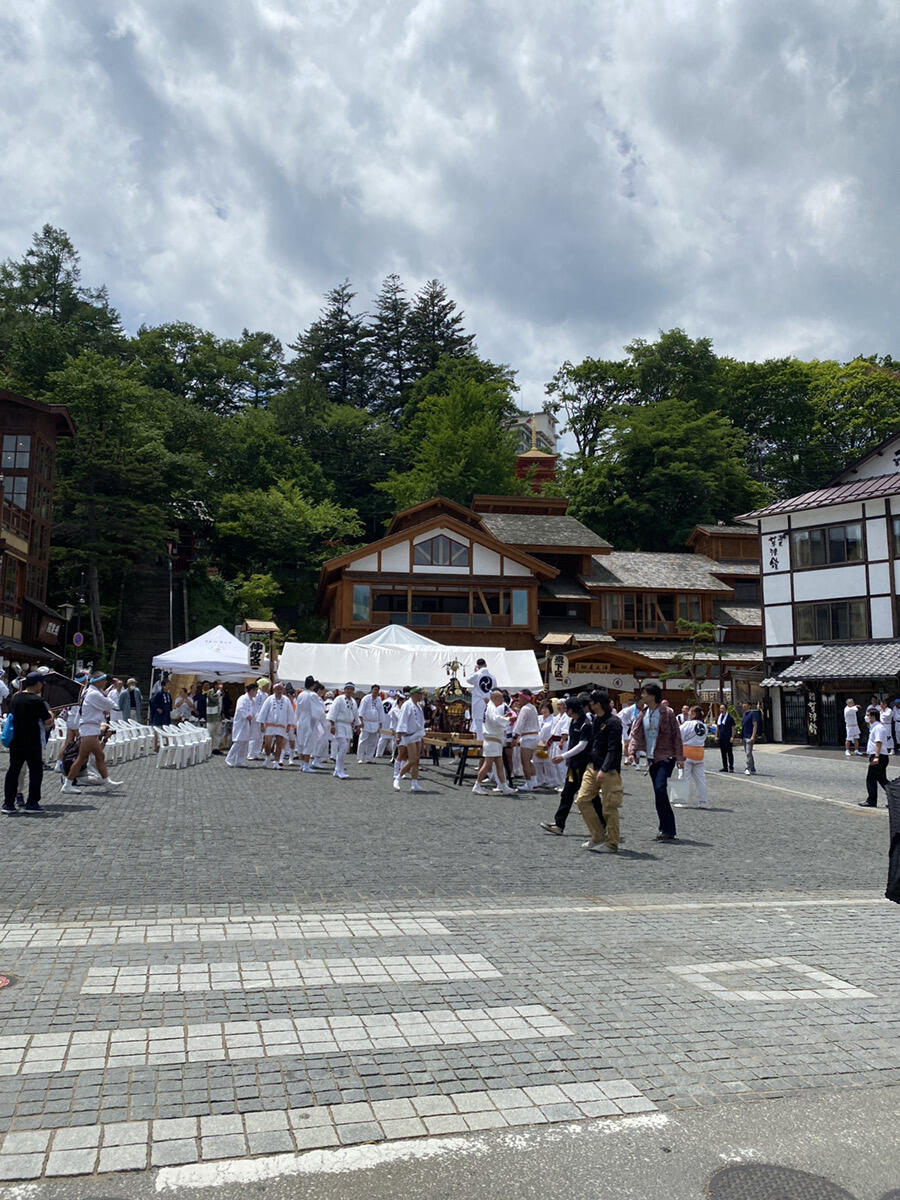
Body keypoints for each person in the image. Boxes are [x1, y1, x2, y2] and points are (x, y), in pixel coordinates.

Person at [629, 683, 683, 842]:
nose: (642, 696)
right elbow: (636, 734)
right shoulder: (643, 713)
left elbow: (676, 735)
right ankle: (665, 828)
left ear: (653, 696)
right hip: (651, 758)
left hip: (666, 757)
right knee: (659, 794)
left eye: (644, 693)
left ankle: (668, 828)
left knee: (660, 789)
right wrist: (632, 752)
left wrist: (680, 757)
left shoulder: (667, 713)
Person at [572, 690, 623, 853]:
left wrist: (604, 769)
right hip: (592, 766)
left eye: (591, 702)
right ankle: (598, 835)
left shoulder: (614, 722)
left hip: (609, 770)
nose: (589, 705)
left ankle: (612, 843)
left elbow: (614, 749)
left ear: (598, 704)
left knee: (609, 807)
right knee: (582, 800)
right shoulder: (596, 720)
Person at [60, 673, 123, 794]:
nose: (105, 683)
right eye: (104, 680)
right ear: (97, 681)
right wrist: (105, 695)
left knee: (98, 756)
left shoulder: (89, 692)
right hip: (89, 728)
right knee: (82, 758)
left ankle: (107, 781)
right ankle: (68, 784)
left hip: (90, 727)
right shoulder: (94, 694)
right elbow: (112, 705)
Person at [3, 672, 54, 814]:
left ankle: (8, 803)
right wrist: (51, 713)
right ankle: (32, 803)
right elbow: (47, 721)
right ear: (37, 683)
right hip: (32, 740)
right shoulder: (37, 701)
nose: (42, 687)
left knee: (13, 770)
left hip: (16, 740)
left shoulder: (16, 698)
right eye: (42, 684)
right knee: (36, 771)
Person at [541, 699, 592, 834]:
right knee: (567, 793)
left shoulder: (585, 724)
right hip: (573, 764)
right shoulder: (573, 722)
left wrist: (563, 756)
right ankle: (559, 824)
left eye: (566, 708)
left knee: (589, 797)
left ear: (572, 709)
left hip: (582, 764)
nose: (564, 710)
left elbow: (582, 745)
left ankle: (603, 825)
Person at [472, 690, 518, 795]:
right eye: (501, 698)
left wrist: (506, 718)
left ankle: (504, 786)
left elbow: (495, 720)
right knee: (487, 765)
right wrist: (509, 719)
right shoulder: (491, 708)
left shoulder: (492, 708)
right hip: (492, 740)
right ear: (496, 698)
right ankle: (477, 785)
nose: (502, 700)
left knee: (499, 765)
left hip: (495, 740)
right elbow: (495, 720)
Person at [393, 686, 426, 792]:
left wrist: (422, 735)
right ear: (414, 694)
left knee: (416, 760)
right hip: (409, 735)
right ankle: (398, 777)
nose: (421, 696)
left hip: (417, 734)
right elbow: (402, 720)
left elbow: (421, 721)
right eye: (419, 694)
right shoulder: (407, 705)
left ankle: (414, 783)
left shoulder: (418, 706)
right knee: (411, 759)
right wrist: (398, 735)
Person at [678, 705, 709, 809]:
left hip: (687, 753)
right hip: (699, 753)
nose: (688, 714)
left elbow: (679, 736)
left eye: (690, 712)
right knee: (700, 780)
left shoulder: (688, 724)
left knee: (684, 778)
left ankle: (683, 801)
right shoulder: (704, 726)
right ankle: (703, 802)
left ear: (694, 713)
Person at [860, 705, 889, 807]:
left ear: (873, 717)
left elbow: (878, 743)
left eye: (868, 715)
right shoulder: (874, 727)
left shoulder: (878, 728)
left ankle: (871, 801)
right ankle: (895, 798)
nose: (866, 717)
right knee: (882, 779)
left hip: (879, 756)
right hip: (879, 756)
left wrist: (876, 757)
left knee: (871, 779)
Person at [259, 680, 292, 769]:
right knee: (267, 743)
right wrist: (262, 724)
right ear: (274, 690)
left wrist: (289, 724)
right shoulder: (269, 699)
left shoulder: (286, 700)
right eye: (277, 689)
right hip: (270, 724)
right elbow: (263, 711)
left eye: (280, 689)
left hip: (281, 724)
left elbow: (290, 713)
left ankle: (276, 762)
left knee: (279, 743)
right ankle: (268, 757)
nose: (279, 691)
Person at [329, 683, 359, 780]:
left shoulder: (353, 701)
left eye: (351, 689)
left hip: (348, 726)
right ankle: (339, 770)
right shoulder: (339, 699)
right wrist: (332, 725)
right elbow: (333, 712)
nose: (349, 691)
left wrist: (358, 725)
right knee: (343, 746)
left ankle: (337, 770)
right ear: (344, 690)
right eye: (348, 689)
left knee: (345, 748)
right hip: (339, 724)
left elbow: (355, 714)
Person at [511, 690, 540, 791]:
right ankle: (534, 782)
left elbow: (520, 724)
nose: (518, 699)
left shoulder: (525, 709)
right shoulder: (533, 707)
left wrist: (515, 737)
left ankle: (529, 784)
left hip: (528, 737)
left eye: (520, 697)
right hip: (534, 736)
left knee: (525, 761)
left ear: (524, 698)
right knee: (529, 760)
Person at [225, 682, 259, 767]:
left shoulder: (253, 701)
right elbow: (240, 709)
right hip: (241, 723)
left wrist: (257, 718)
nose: (256, 693)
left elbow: (255, 711)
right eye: (256, 691)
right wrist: (247, 716)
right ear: (251, 691)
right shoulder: (243, 698)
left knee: (245, 743)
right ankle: (230, 759)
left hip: (249, 724)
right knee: (239, 741)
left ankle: (240, 761)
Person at [466, 659, 497, 739]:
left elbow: (468, 680)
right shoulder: (492, 677)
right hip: (489, 701)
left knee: (478, 722)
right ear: (486, 665)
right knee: (488, 721)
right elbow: (495, 689)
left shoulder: (477, 675)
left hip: (478, 702)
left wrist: (475, 671)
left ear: (478, 666)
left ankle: (480, 741)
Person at [357, 685, 382, 764]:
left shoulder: (379, 700)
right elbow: (361, 710)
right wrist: (361, 721)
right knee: (363, 740)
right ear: (371, 690)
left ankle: (369, 757)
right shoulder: (366, 698)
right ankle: (360, 757)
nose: (376, 691)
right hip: (366, 722)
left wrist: (380, 724)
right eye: (375, 689)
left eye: (377, 690)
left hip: (375, 723)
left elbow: (381, 712)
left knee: (373, 741)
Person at [741, 701, 763, 775]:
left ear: (749, 706)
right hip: (744, 735)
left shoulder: (752, 714)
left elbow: (755, 725)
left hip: (749, 736)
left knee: (748, 753)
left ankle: (747, 768)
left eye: (745, 704)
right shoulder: (744, 714)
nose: (744, 705)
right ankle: (753, 768)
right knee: (749, 753)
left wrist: (753, 736)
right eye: (743, 704)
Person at [205, 682, 225, 753]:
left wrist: (222, 713)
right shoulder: (210, 692)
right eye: (219, 684)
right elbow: (213, 699)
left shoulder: (220, 693)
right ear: (215, 685)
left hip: (218, 716)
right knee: (210, 733)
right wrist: (219, 693)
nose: (220, 686)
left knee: (218, 733)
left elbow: (221, 703)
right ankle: (208, 749)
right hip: (211, 716)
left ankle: (215, 748)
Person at [715, 703, 735, 772]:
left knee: (729, 753)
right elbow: (717, 727)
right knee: (723, 753)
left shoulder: (730, 718)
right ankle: (725, 767)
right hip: (721, 737)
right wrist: (716, 736)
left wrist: (732, 737)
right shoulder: (719, 717)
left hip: (728, 737)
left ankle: (731, 767)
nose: (721, 710)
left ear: (726, 709)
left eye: (723, 708)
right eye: (720, 708)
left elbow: (733, 728)